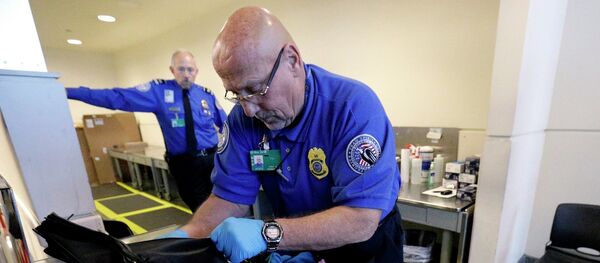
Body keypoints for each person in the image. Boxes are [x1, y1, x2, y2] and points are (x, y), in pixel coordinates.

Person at [175, 7, 403, 263]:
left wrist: (268, 234)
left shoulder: (352, 107)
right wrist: (181, 241)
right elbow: (228, 198)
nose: (248, 110)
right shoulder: (242, 119)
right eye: (236, 94)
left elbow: (361, 219)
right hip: (295, 236)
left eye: (255, 89)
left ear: (292, 61)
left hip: (364, 245)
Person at [66, 50, 227, 212]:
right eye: (181, 69)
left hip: (212, 160)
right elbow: (117, 97)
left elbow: (226, 125)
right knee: (200, 209)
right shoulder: (159, 92)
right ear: (172, 70)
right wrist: (70, 92)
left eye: (190, 70)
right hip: (185, 164)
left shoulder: (206, 95)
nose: (186, 74)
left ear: (196, 71)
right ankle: (211, 234)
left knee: (221, 203)